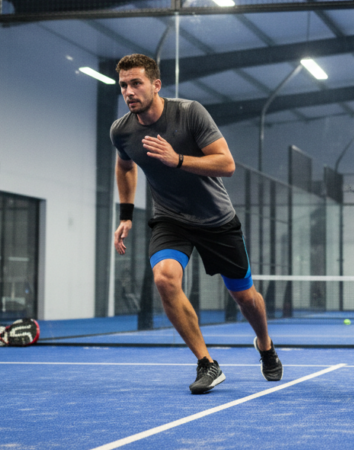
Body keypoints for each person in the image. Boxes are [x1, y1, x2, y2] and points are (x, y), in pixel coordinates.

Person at [110, 53, 282, 394]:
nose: (129, 92)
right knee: (164, 278)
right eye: (123, 85)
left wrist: (177, 160)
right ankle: (207, 363)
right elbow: (125, 166)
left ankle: (265, 345)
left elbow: (226, 164)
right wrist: (126, 215)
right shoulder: (122, 130)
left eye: (136, 83)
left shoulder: (190, 113)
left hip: (217, 219)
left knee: (245, 298)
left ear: (156, 85)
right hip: (170, 219)